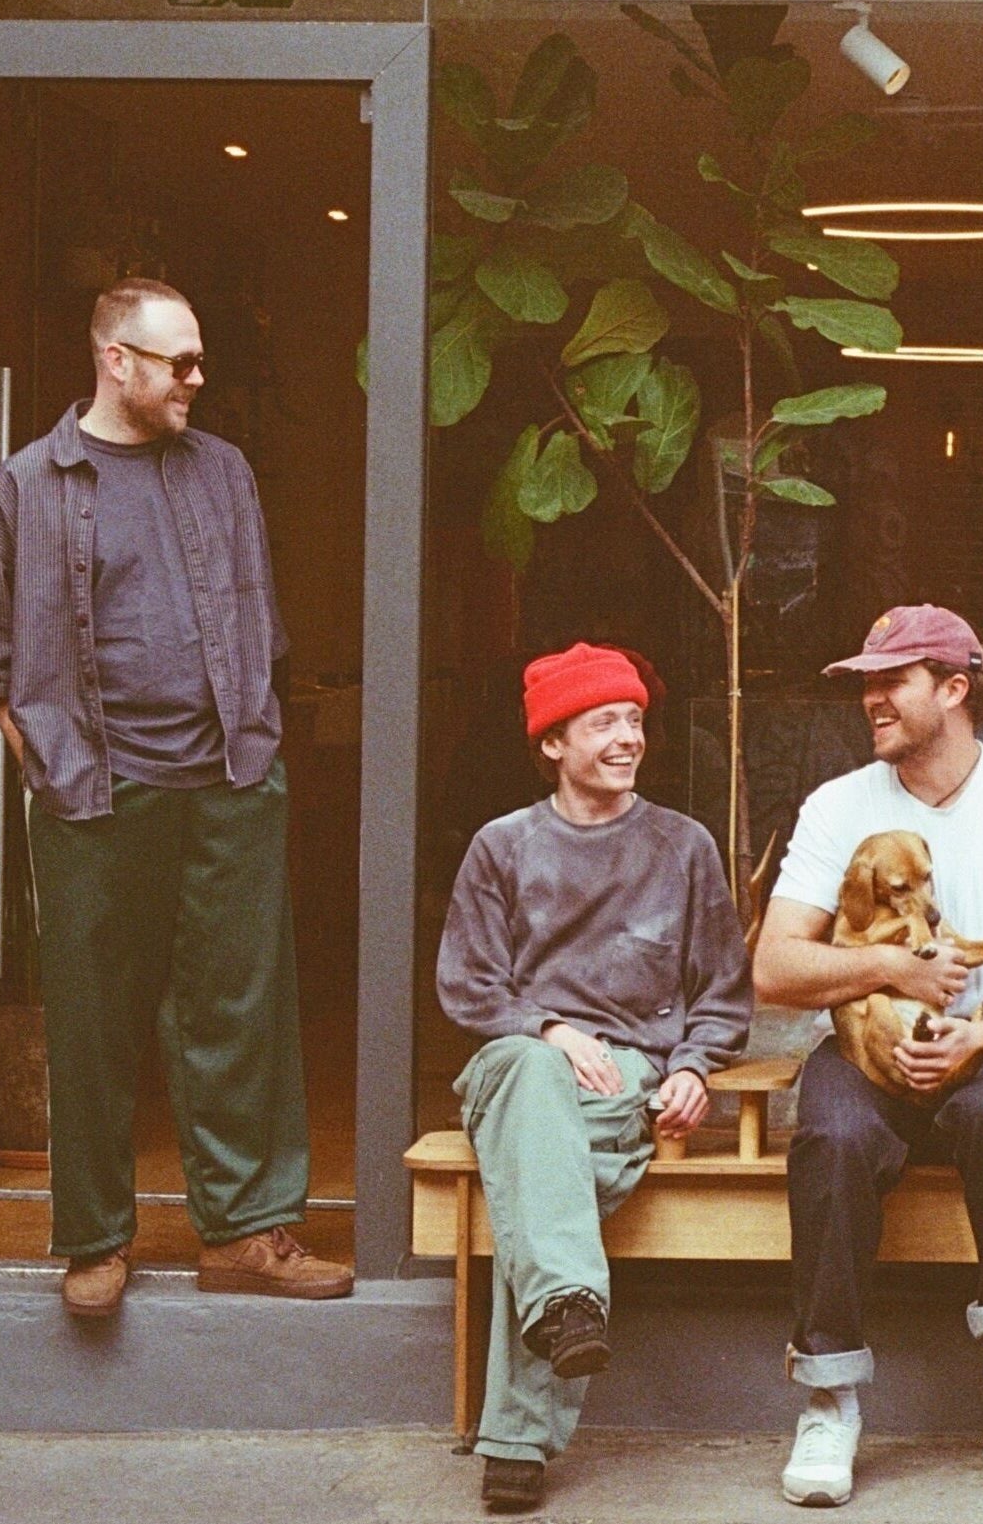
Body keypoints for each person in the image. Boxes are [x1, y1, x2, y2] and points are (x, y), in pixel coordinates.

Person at [0, 276, 351, 1316]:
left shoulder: (221, 471)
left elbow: (260, 617)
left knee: (242, 1010)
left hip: (226, 782)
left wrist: (255, 750)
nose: (198, 380)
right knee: (91, 1018)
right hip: (94, 794)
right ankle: (93, 1240)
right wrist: (50, 760)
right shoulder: (30, 486)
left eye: (201, 359)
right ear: (115, 360)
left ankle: (250, 1234)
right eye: (181, 362)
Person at [755, 605, 983, 1506]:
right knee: (828, 1133)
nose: (872, 698)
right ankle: (828, 1394)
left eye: (891, 680)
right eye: (865, 681)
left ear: (953, 688)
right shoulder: (839, 805)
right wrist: (892, 967)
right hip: (867, 1045)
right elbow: (775, 965)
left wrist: (976, 1037)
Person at [435, 642, 752, 1515]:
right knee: (536, 1090)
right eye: (605, 721)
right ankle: (567, 1309)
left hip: (626, 1078)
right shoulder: (503, 847)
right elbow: (467, 983)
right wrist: (547, 1026)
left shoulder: (683, 846)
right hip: (511, 1060)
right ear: (552, 742)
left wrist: (692, 1066)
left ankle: (518, 1430)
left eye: (635, 720)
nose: (628, 737)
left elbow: (722, 991)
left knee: (541, 1175)